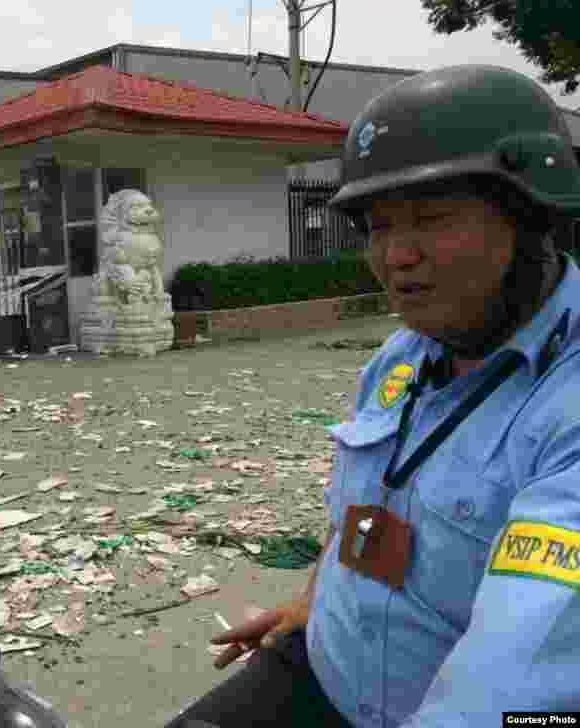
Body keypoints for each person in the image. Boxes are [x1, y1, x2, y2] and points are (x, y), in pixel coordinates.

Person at [167, 64, 580, 728]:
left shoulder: (568, 406)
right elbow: (367, 507)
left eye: (432, 219)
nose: (396, 256)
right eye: (378, 228)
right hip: (330, 664)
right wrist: (317, 598)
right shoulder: (402, 358)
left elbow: (508, 684)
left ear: (533, 220)